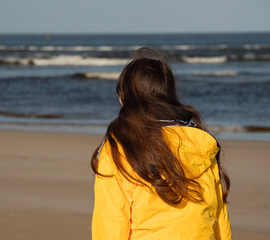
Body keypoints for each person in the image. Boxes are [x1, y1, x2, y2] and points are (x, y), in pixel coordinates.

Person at [91, 47, 232, 240]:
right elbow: (219, 216)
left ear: (123, 100)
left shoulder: (120, 147)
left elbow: (111, 222)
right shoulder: (200, 141)